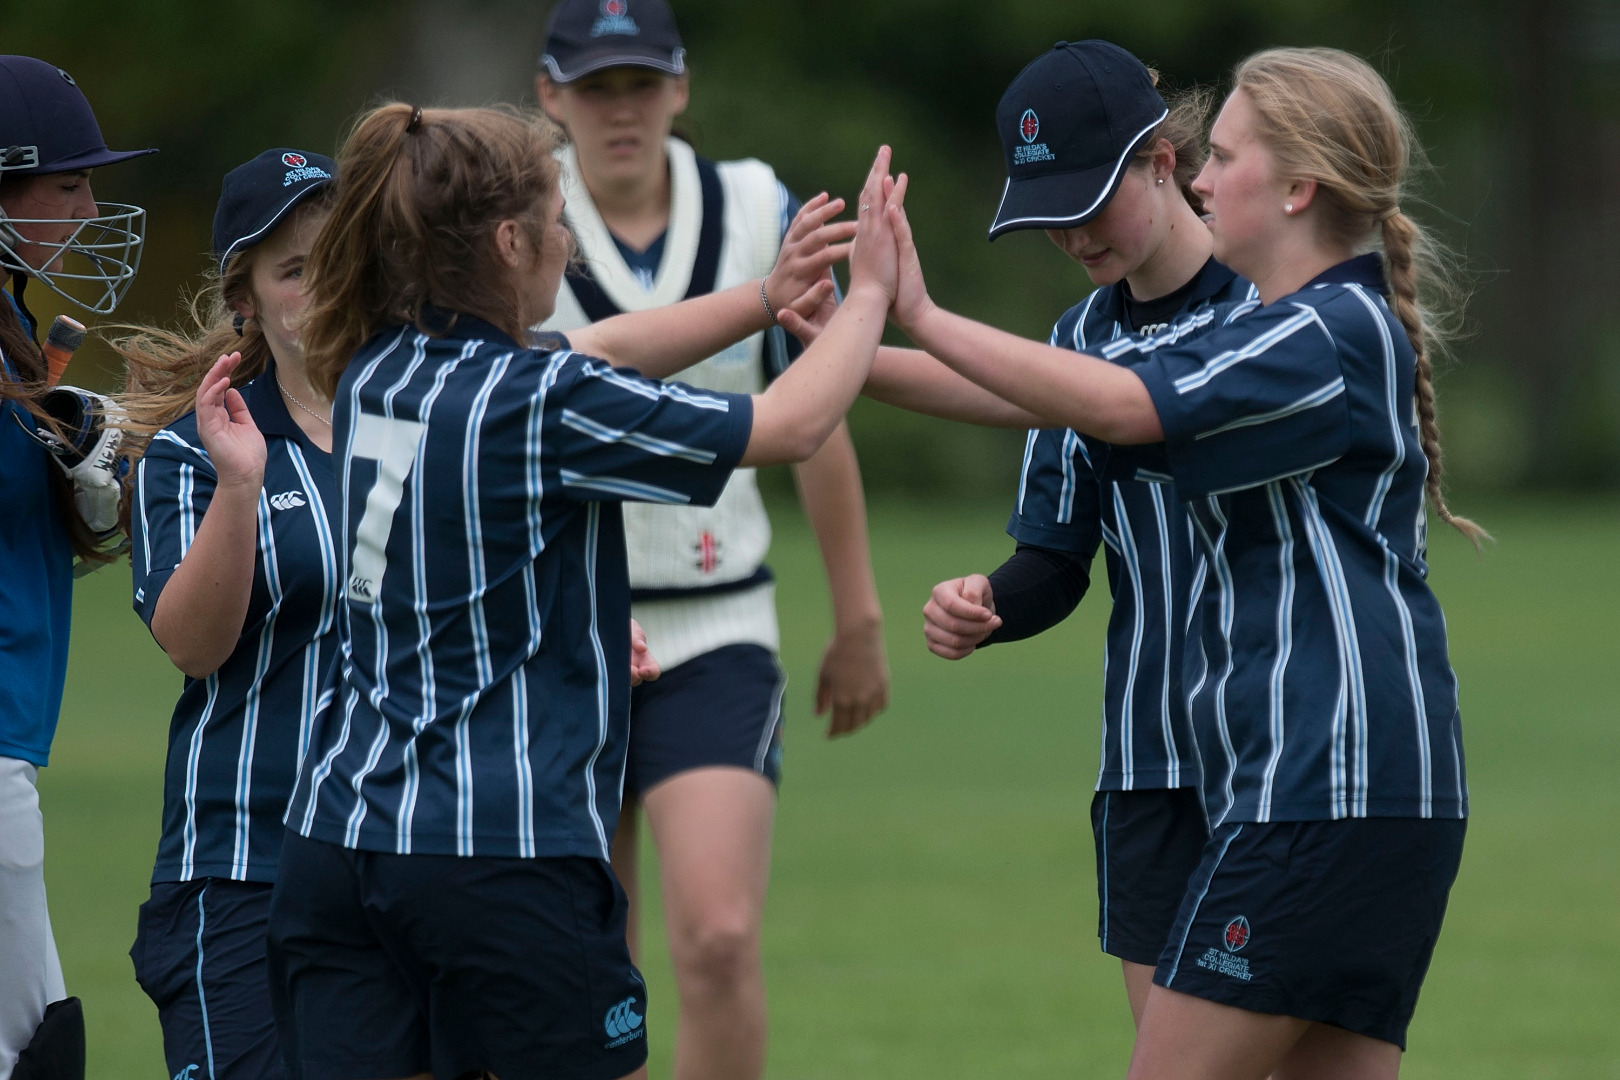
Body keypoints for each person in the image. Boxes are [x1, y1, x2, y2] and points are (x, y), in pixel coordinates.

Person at [869, 46, 1479, 1078]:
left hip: (1321, 778)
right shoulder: (1300, 326)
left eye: (1225, 158)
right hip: (1355, 786)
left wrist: (918, 314)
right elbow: (1063, 397)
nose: (1203, 178)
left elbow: (1116, 402)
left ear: (1297, 188)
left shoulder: (1319, 329)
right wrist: (828, 343)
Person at [265, 101, 900, 1080]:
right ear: (509, 242)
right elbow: (790, 427)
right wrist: (871, 297)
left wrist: (762, 297)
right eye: (558, 220)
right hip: (496, 850)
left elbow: (600, 349)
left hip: (337, 841)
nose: (570, 242)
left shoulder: (376, 367)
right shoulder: (538, 403)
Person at [534, 3, 889, 1075]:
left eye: (641, 84)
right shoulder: (514, 218)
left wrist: (859, 615)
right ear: (549, 97)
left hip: (716, 623)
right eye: (596, 87)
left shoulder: (754, 206)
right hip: (558, 632)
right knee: (581, 960)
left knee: (722, 940)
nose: (622, 109)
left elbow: (814, 414)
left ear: (681, 88)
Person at [890, 41, 1257, 1029]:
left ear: (1163, 162)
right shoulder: (1077, 338)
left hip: (1272, 754)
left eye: (1089, 202)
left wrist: (906, 326)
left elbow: (1139, 411)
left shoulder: (1269, 307)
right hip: (1146, 766)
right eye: (1049, 213)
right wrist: (987, 605)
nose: (1071, 234)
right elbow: (1057, 560)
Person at [116, 147, 341, 1080]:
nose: (327, 286)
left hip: (407, 859)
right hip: (247, 869)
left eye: (344, 257)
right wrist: (241, 488)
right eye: (295, 270)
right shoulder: (190, 454)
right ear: (245, 298)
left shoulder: (429, 427)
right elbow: (192, 645)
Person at [0, 53, 152, 1080]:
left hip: (13, 726)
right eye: (69, 183)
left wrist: (80, 458)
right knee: (34, 1052)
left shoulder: (13, 325)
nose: (91, 209)